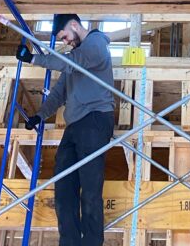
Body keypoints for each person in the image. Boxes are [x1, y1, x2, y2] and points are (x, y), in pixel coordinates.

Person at [18, 14, 115, 246]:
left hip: (95, 119)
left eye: (65, 36)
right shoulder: (75, 60)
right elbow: (59, 92)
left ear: (74, 25)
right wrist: (39, 116)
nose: (66, 41)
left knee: (90, 188)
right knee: (63, 188)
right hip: (74, 126)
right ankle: (69, 242)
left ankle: (92, 242)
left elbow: (73, 61)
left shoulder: (96, 43)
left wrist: (33, 59)